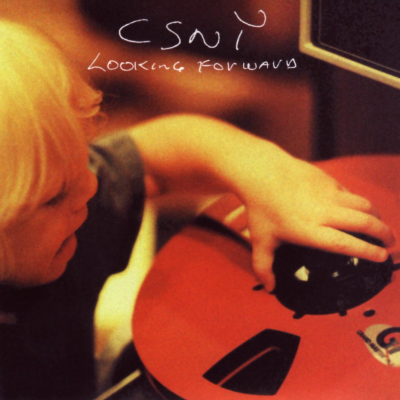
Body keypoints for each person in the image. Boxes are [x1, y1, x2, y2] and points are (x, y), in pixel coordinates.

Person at [0, 19, 394, 400]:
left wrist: (266, 173)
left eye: (82, 157)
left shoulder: (68, 198)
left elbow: (156, 157)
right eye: (55, 195)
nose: (89, 187)